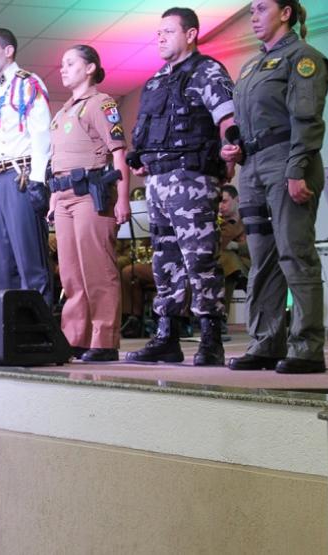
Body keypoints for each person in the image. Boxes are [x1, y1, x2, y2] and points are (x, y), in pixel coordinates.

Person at [222, 0, 328, 373]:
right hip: (252, 168)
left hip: (286, 161)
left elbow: (307, 119)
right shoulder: (252, 65)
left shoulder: (303, 57)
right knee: (262, 259)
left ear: (285, 13)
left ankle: (306, 348)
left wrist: (297, 168)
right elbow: (247, 119)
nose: (253, 16)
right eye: (251, 9)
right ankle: (267, 343)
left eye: (262, 8)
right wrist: (234, 147)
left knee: (294, 253)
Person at [125, 7, 236, 366]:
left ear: (190, 34)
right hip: (157, 181)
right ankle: (166, 336)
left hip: (193, 178)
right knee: (164, 261)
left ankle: (210, 339)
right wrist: (138, 157)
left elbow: (227, 118)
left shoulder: (207, 71)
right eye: (158, 32)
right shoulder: (155, 80)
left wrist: (230, 155)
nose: (160, 38)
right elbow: (142, 131)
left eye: (168, 31)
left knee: (200, 258)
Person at [50, 45, 131, 362]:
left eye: (70, 63)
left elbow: (118, 153)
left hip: (90, 194)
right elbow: (58, 161)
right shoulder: (63, 111)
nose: (63, 68)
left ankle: (104, 339)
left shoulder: (101, 103)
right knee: (70, 272)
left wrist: (123, 198)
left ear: (90, 68)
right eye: (62, 64)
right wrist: (54, 197)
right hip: (64, 196)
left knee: (97, 269)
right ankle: (76, 337)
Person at [0, 28, 53, 306]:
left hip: (20, 175)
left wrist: (38, 180)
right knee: (1, 263)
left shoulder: (28, 83)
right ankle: (9, 332)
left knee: (29, 259)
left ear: (8, 51)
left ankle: (40, 332)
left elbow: (42, 135)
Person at [217, 185, 250, 303]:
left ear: (237, 200)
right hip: (224, 269)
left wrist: (235, 246)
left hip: (249, 266)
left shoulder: (249, 220)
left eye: (224, 201)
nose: (220, 206)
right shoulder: (217, 224)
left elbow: (260, 248)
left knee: (227, 257)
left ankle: (221, 316)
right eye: (218, 202)